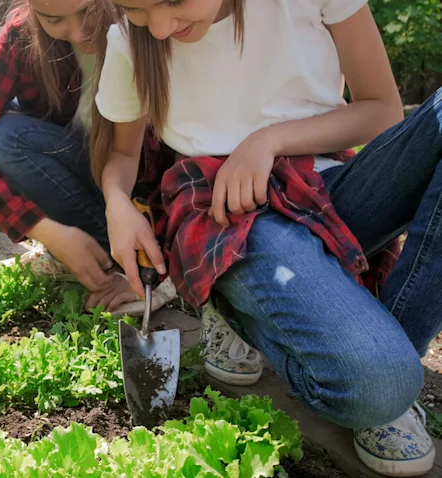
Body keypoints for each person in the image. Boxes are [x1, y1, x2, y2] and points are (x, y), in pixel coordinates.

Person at [93, 0, 442, 475]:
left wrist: (267, 140)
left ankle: (390, 359)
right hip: (227, 213)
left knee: (385, 382)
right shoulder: (129, 40)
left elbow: (381, 111)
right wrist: (117, 202)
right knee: (379, 383)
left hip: (328, 185)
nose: (158, 27)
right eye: (136, 9)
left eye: (173, 1)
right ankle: (237, 307)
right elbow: (121, 151)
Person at [0, 0, 176, 316]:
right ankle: (94, 252)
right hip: (94, 177)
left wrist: (162, 269)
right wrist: (47, 231)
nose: (78, 34)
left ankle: (145, 259)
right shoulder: (21, 35)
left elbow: (185, 159)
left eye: (88, 12)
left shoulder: (148, 23)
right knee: (6, 138)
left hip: (148, 196)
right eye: (54, 20)